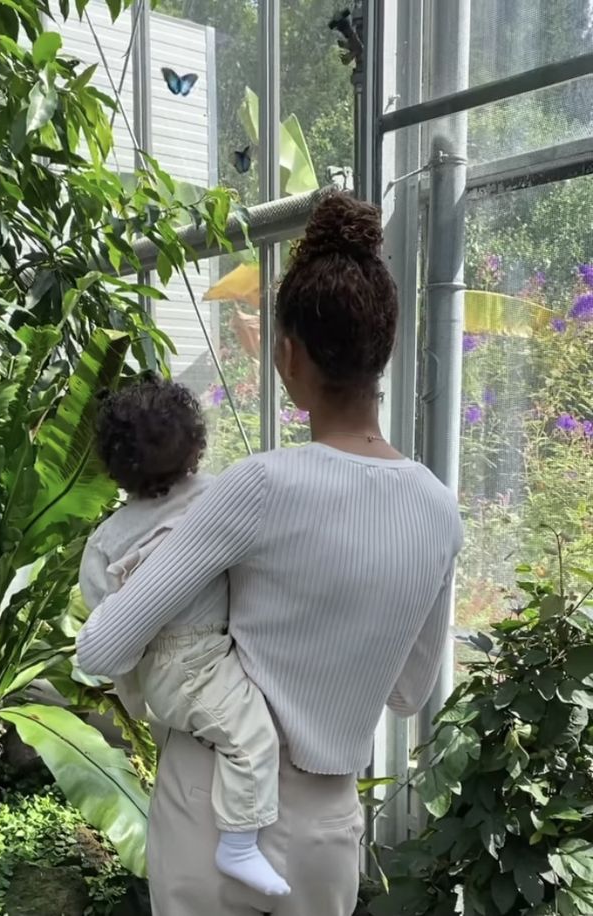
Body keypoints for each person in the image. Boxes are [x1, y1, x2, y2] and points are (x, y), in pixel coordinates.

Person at [77, 191, 464, 916]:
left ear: (287, 353)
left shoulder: (259, 485)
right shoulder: (439, 510)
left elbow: (108, 647)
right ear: (382, 352)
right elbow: (409, 692)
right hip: (327, 829)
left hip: (211, 808)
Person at [78, 377, 290, 898]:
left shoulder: (108, 536)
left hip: (160, 667)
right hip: (196, 660)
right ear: (196, 445)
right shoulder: (217, 496)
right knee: (249, 737)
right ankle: (239, 844)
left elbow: (100, 608)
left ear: (113, 464)